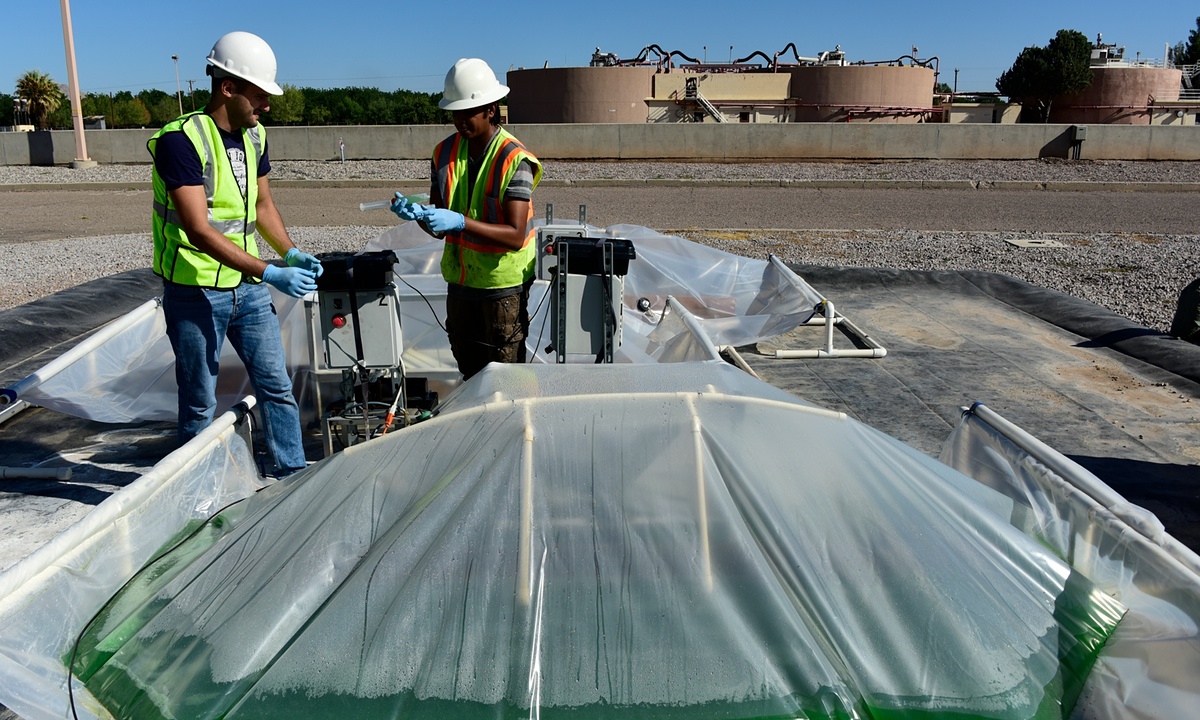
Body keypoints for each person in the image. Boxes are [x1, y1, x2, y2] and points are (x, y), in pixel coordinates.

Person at [147, 31, 322, 476]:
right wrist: (270, 272)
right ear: (228, 88)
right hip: (195, 290)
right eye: (259, 95)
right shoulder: (180, 141)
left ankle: (292, 474)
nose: (266, 105)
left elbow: (262, 205)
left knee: (276, 386)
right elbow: (199, 230)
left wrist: (291, 252)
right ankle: (197, 493)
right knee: (199, 402)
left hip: (246, 288)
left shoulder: (255, 136)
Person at [392, 58, 543, 381]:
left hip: (502, 287)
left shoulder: (514, 159)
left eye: (467, 112)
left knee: (505, 378)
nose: (459, 120)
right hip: (461, 284)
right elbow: (437, 226)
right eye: (454, 113)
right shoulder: (443, 153)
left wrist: (460, 222)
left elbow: (516, 235)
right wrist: (419, 215)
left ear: (491, 109)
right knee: (469, 371)